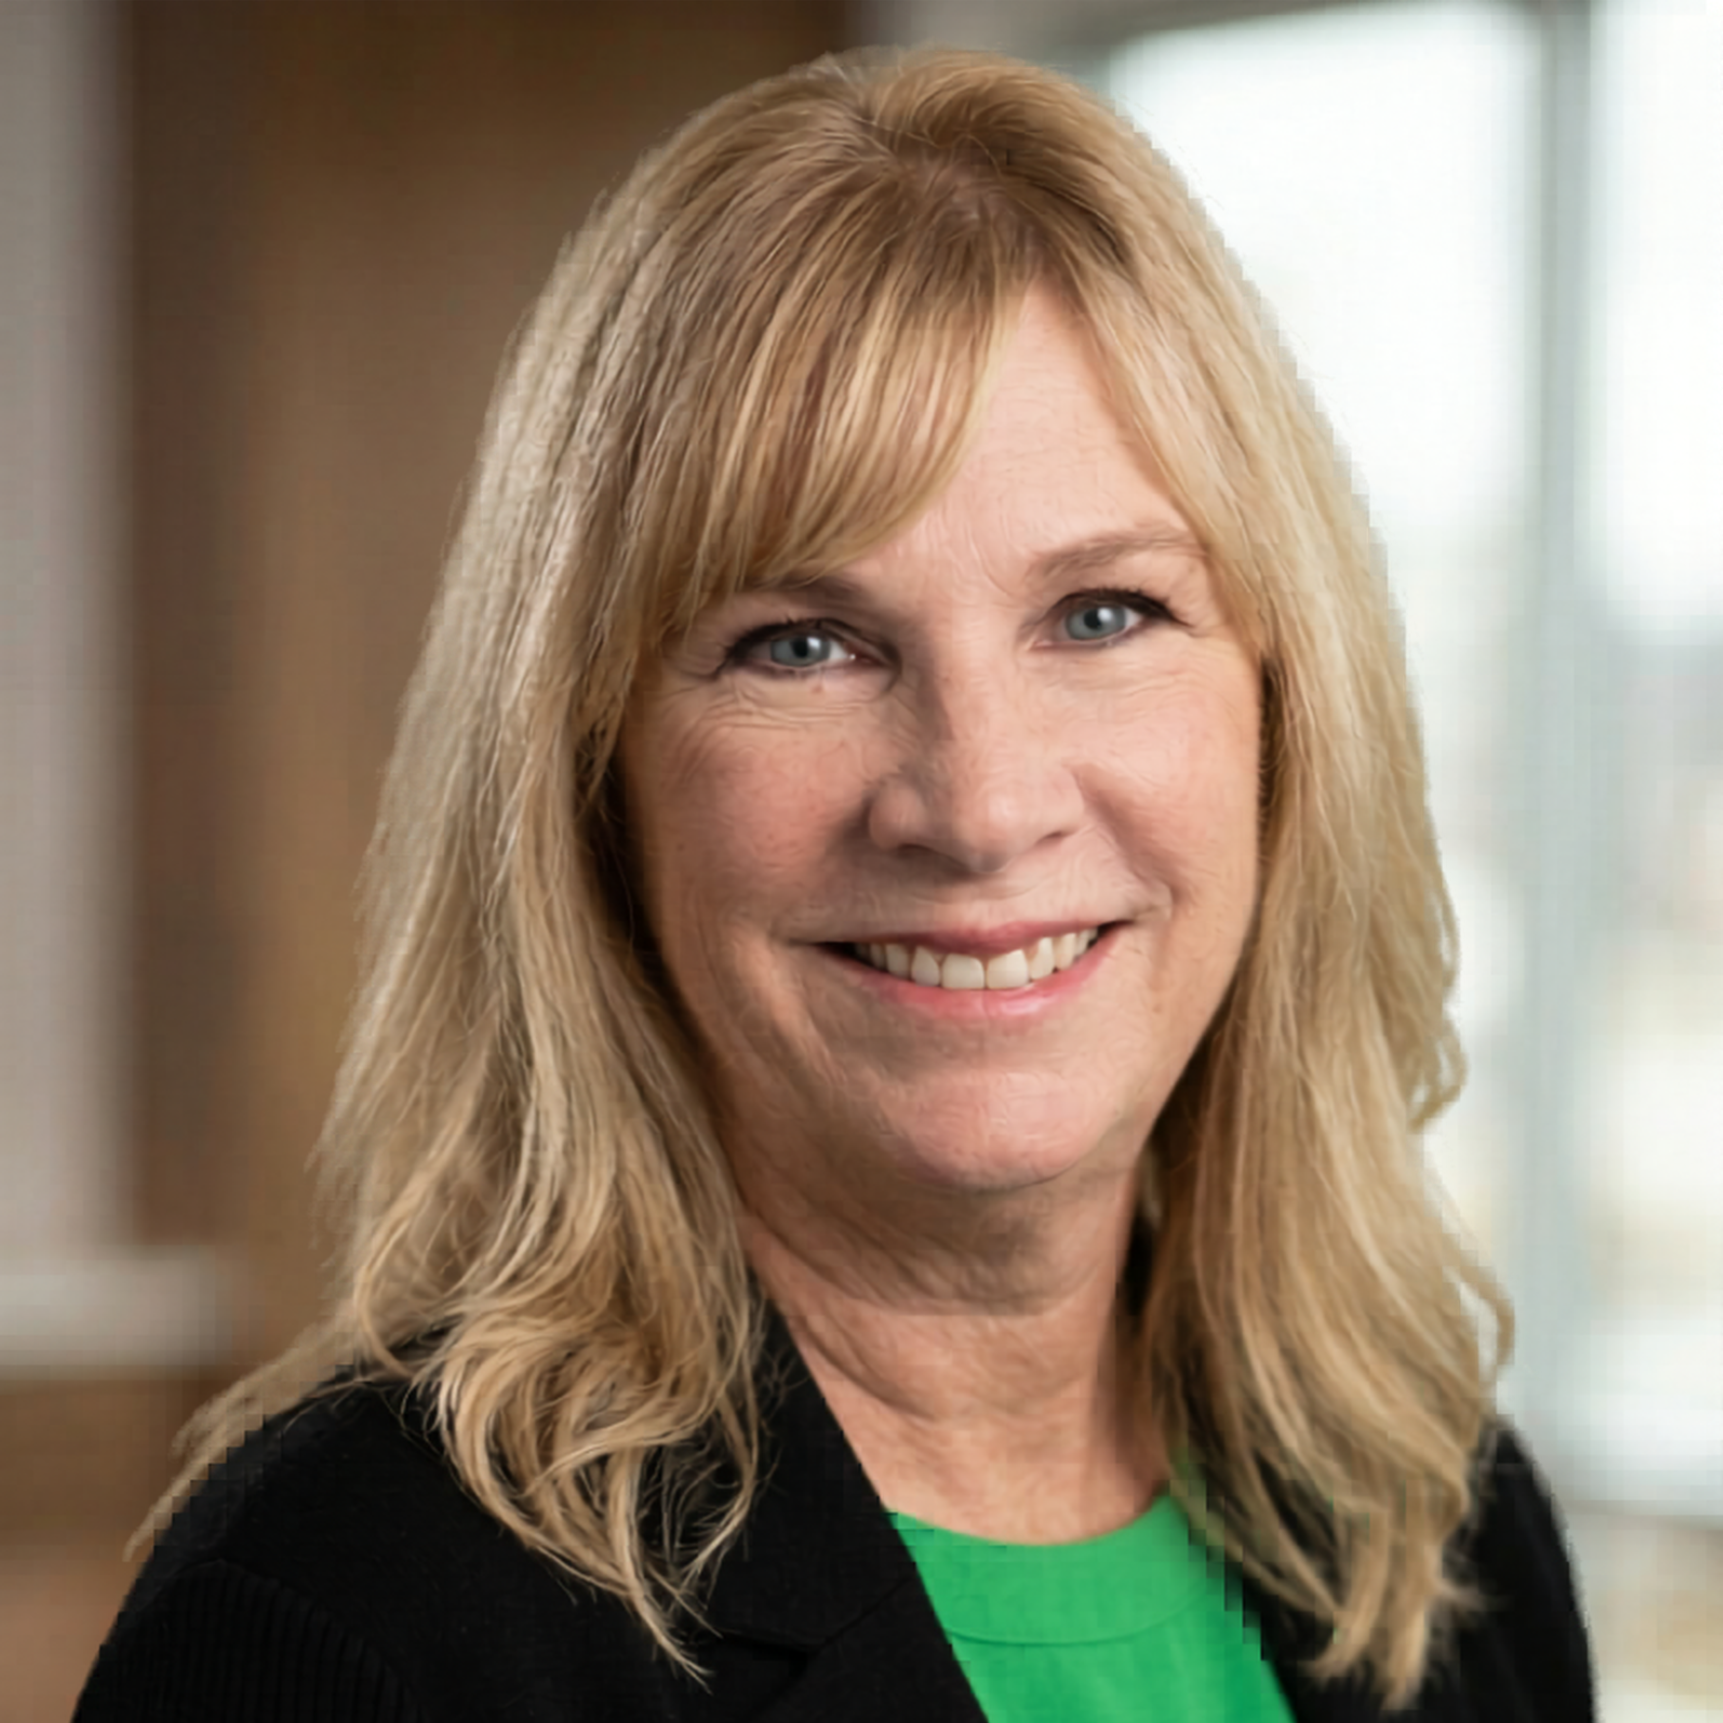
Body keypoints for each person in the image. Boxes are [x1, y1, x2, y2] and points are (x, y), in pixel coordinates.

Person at [75, 45, 1594, 1723]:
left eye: (1100, 614)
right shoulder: (339, 1621)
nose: (979, 800)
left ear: (1280, 715)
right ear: (595, 783)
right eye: (801, 643)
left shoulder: (1440, 1525)